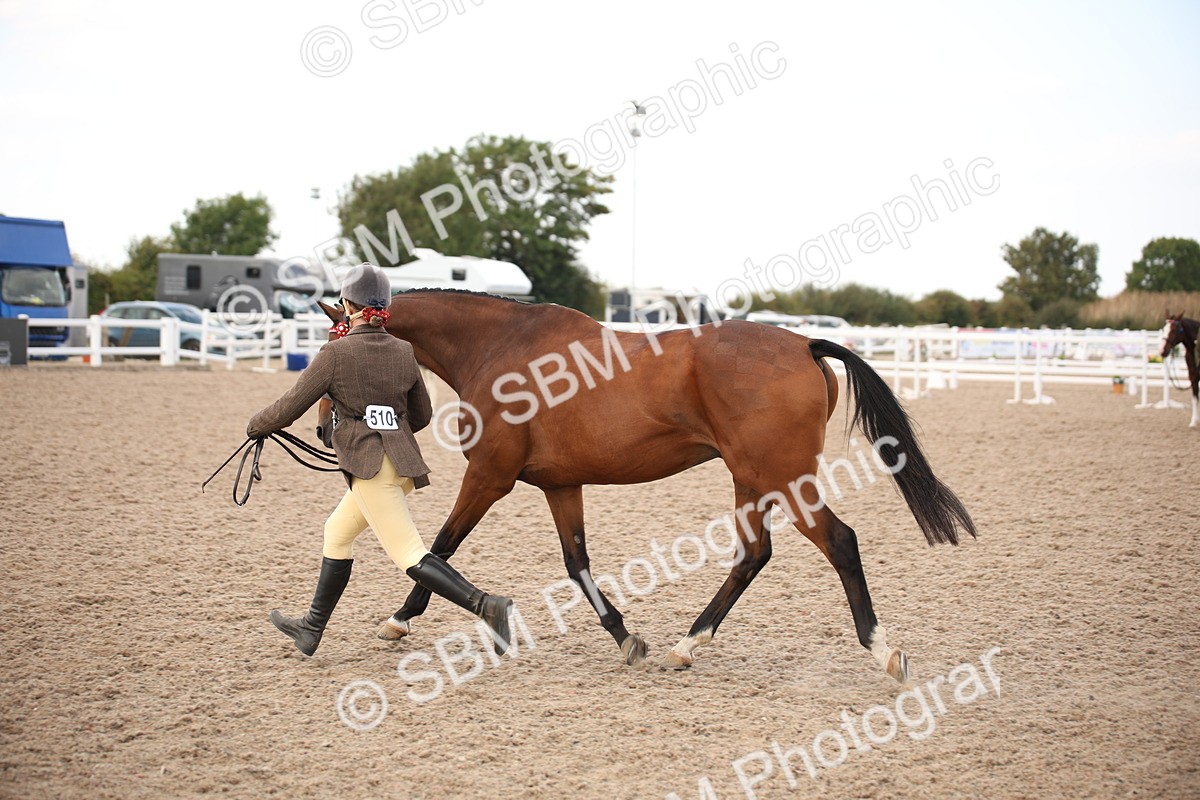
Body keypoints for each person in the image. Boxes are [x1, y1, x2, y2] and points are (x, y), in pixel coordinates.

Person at [246, 263, 512, 656]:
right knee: (337, 532)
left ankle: (487, 606)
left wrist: (256, 426)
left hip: (371, 469)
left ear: (347, 306)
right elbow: (421, 415)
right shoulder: (404, 351)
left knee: (409, 553)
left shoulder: (335, 353)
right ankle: (311, 628)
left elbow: (289, 407)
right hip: (400, 464)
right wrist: (390, 429)